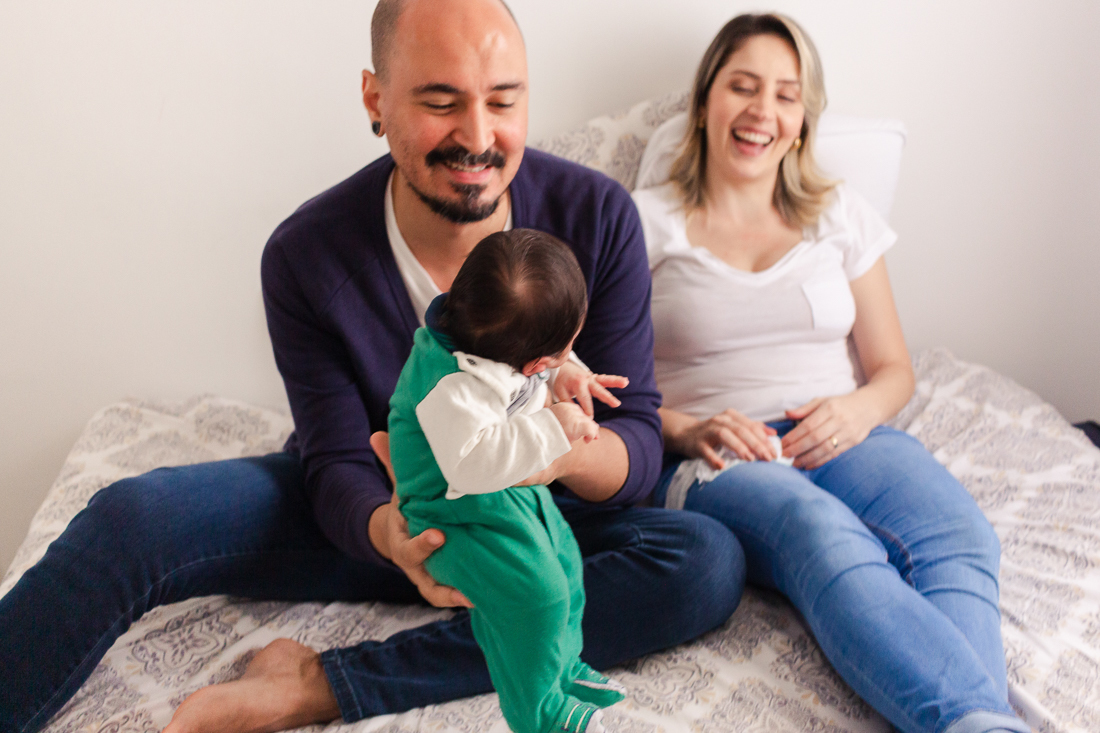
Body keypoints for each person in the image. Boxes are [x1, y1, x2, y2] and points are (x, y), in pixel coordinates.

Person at [0, 2, 745, 733]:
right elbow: (332, 460)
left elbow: (637, 447)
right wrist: (388, 532)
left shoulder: (597, 217)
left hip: (531, 516)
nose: (478, 136)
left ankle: (323, 684)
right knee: (133, 519)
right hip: (389, 510)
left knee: (702, 561)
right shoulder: (306, 253)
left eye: (504, 101)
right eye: (440, 101)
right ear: (376, 100)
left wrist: (552, 448)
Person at [630, 13, 1028, 733]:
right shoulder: (640, 222)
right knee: (821, 531)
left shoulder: (838, 212)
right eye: (743, 87)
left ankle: (980, 720)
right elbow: (601, 389)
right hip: (721, 454)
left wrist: (859, 410)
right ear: (703, 103)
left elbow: (893, 368)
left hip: (844, 433)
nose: (763, 111)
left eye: (786, 95)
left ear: (805, 119)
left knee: (960, 534)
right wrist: (688, 429)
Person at [391, 230, 629, 733]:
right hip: (448, 507)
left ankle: (562, 670)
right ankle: (540, 712)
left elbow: (528, 377)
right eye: (566, 351)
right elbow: (471, 463)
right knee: (535, 597)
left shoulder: (490, 334)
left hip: (500, 491)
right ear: (532, 361)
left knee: (566, 564)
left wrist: (568, 377)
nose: (569, 355)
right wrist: (555, 425)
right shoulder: (451, 387)